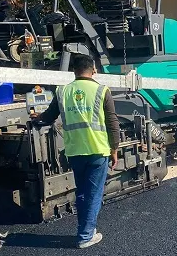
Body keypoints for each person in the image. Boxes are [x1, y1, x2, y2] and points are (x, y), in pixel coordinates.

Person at [33, 54, 120, 248]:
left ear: (74, 71)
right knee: (93, 194)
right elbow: (112, 123)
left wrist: (35, 118)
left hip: (74, 152)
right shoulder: (102, 90)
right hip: (98, 150)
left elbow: (48, 117)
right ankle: (85, 235)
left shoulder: (63, 91)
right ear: (94, 69)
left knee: (82, 192)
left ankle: (85, 230)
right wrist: (115, 148)